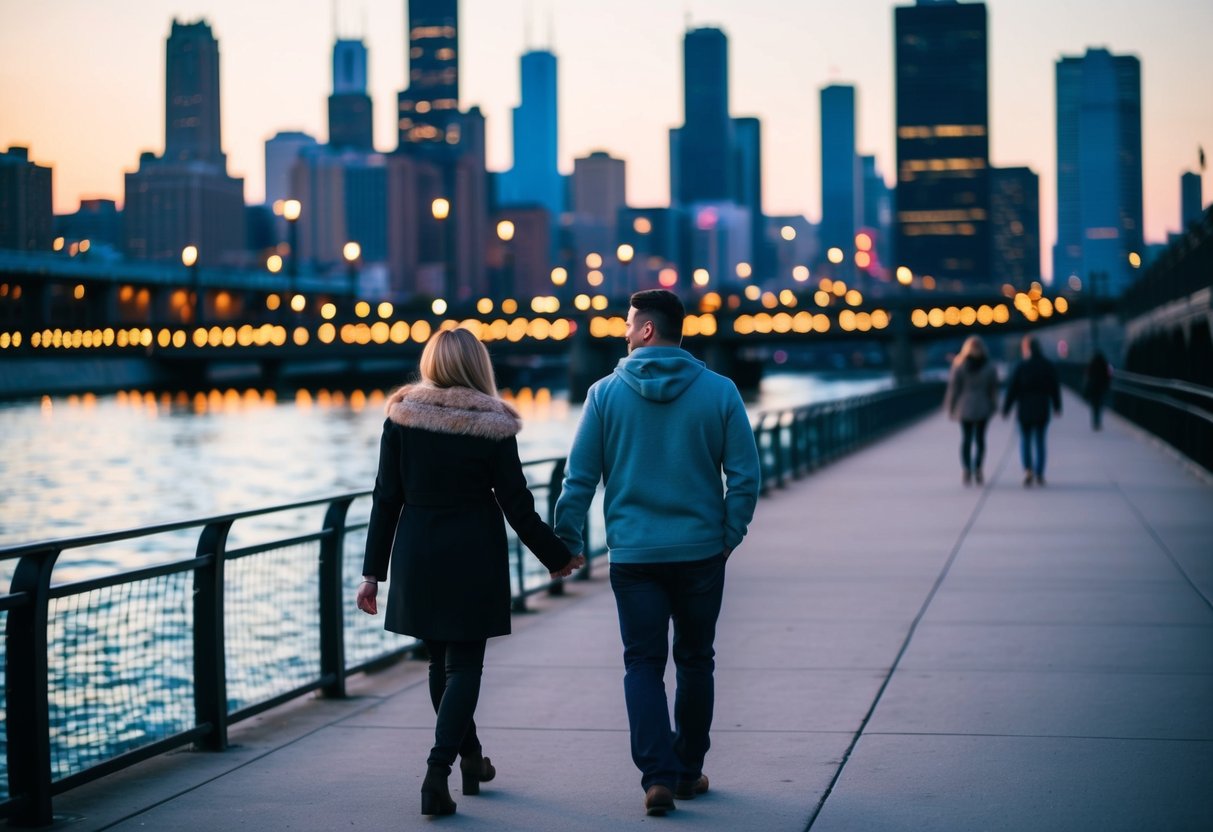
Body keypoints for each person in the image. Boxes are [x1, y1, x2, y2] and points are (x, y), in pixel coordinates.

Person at [356, 328, 583, 817]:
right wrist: (557, 555)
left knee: (440, 666)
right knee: (464, 667)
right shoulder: (493, 422)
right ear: (479, 366)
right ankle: (438, 772)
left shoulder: (401, 417)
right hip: (472, 553)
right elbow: (517, 504)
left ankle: (472, 759)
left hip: (417, 552)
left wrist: (373, 572)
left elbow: (385, 498)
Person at [553, 289, 761, 817]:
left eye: (628, 324)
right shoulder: (720, 392)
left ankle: (657, 778)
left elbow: (578, 479)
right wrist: (726, 537)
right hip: (699, 553)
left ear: (647, 329)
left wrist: (568, 542)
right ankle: (688, 770)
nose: (622, 332)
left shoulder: (603, 395)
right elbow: (745, 478)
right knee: (696, 659)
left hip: (634, 555)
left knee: (642, 663)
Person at [1002, 335, 1062, 487]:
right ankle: (1040, 473)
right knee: (1040, 441)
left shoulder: (1021, 366)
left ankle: (1028, 470)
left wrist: (1006, 408)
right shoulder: (1047, 365)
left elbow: (1012, 389)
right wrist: (1057, 406)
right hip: (1042, 407)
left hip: (1025, 408)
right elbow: (1054, 387)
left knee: (1026, 440)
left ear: (1026, 348)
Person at [943, 335, 999, 486]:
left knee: (966, 439)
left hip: (964, 405)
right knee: (980, 440)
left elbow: (954, 388)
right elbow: (993, 388)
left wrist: (950, 406)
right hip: (983, 404)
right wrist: (994, 404)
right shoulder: (988, 365)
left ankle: (967, 469)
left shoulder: (959, 364)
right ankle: (978, 468)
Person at [1083, 350, 1112, 430]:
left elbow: (1088, 375)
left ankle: (1094, 422)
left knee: (1094, 406)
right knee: (1099, 405)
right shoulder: (1104, 364)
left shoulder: (1092, 364)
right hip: (1101, 387)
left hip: (1093, 387)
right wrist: (1107, 385)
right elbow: (1108, 376)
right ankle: (1098, 422)